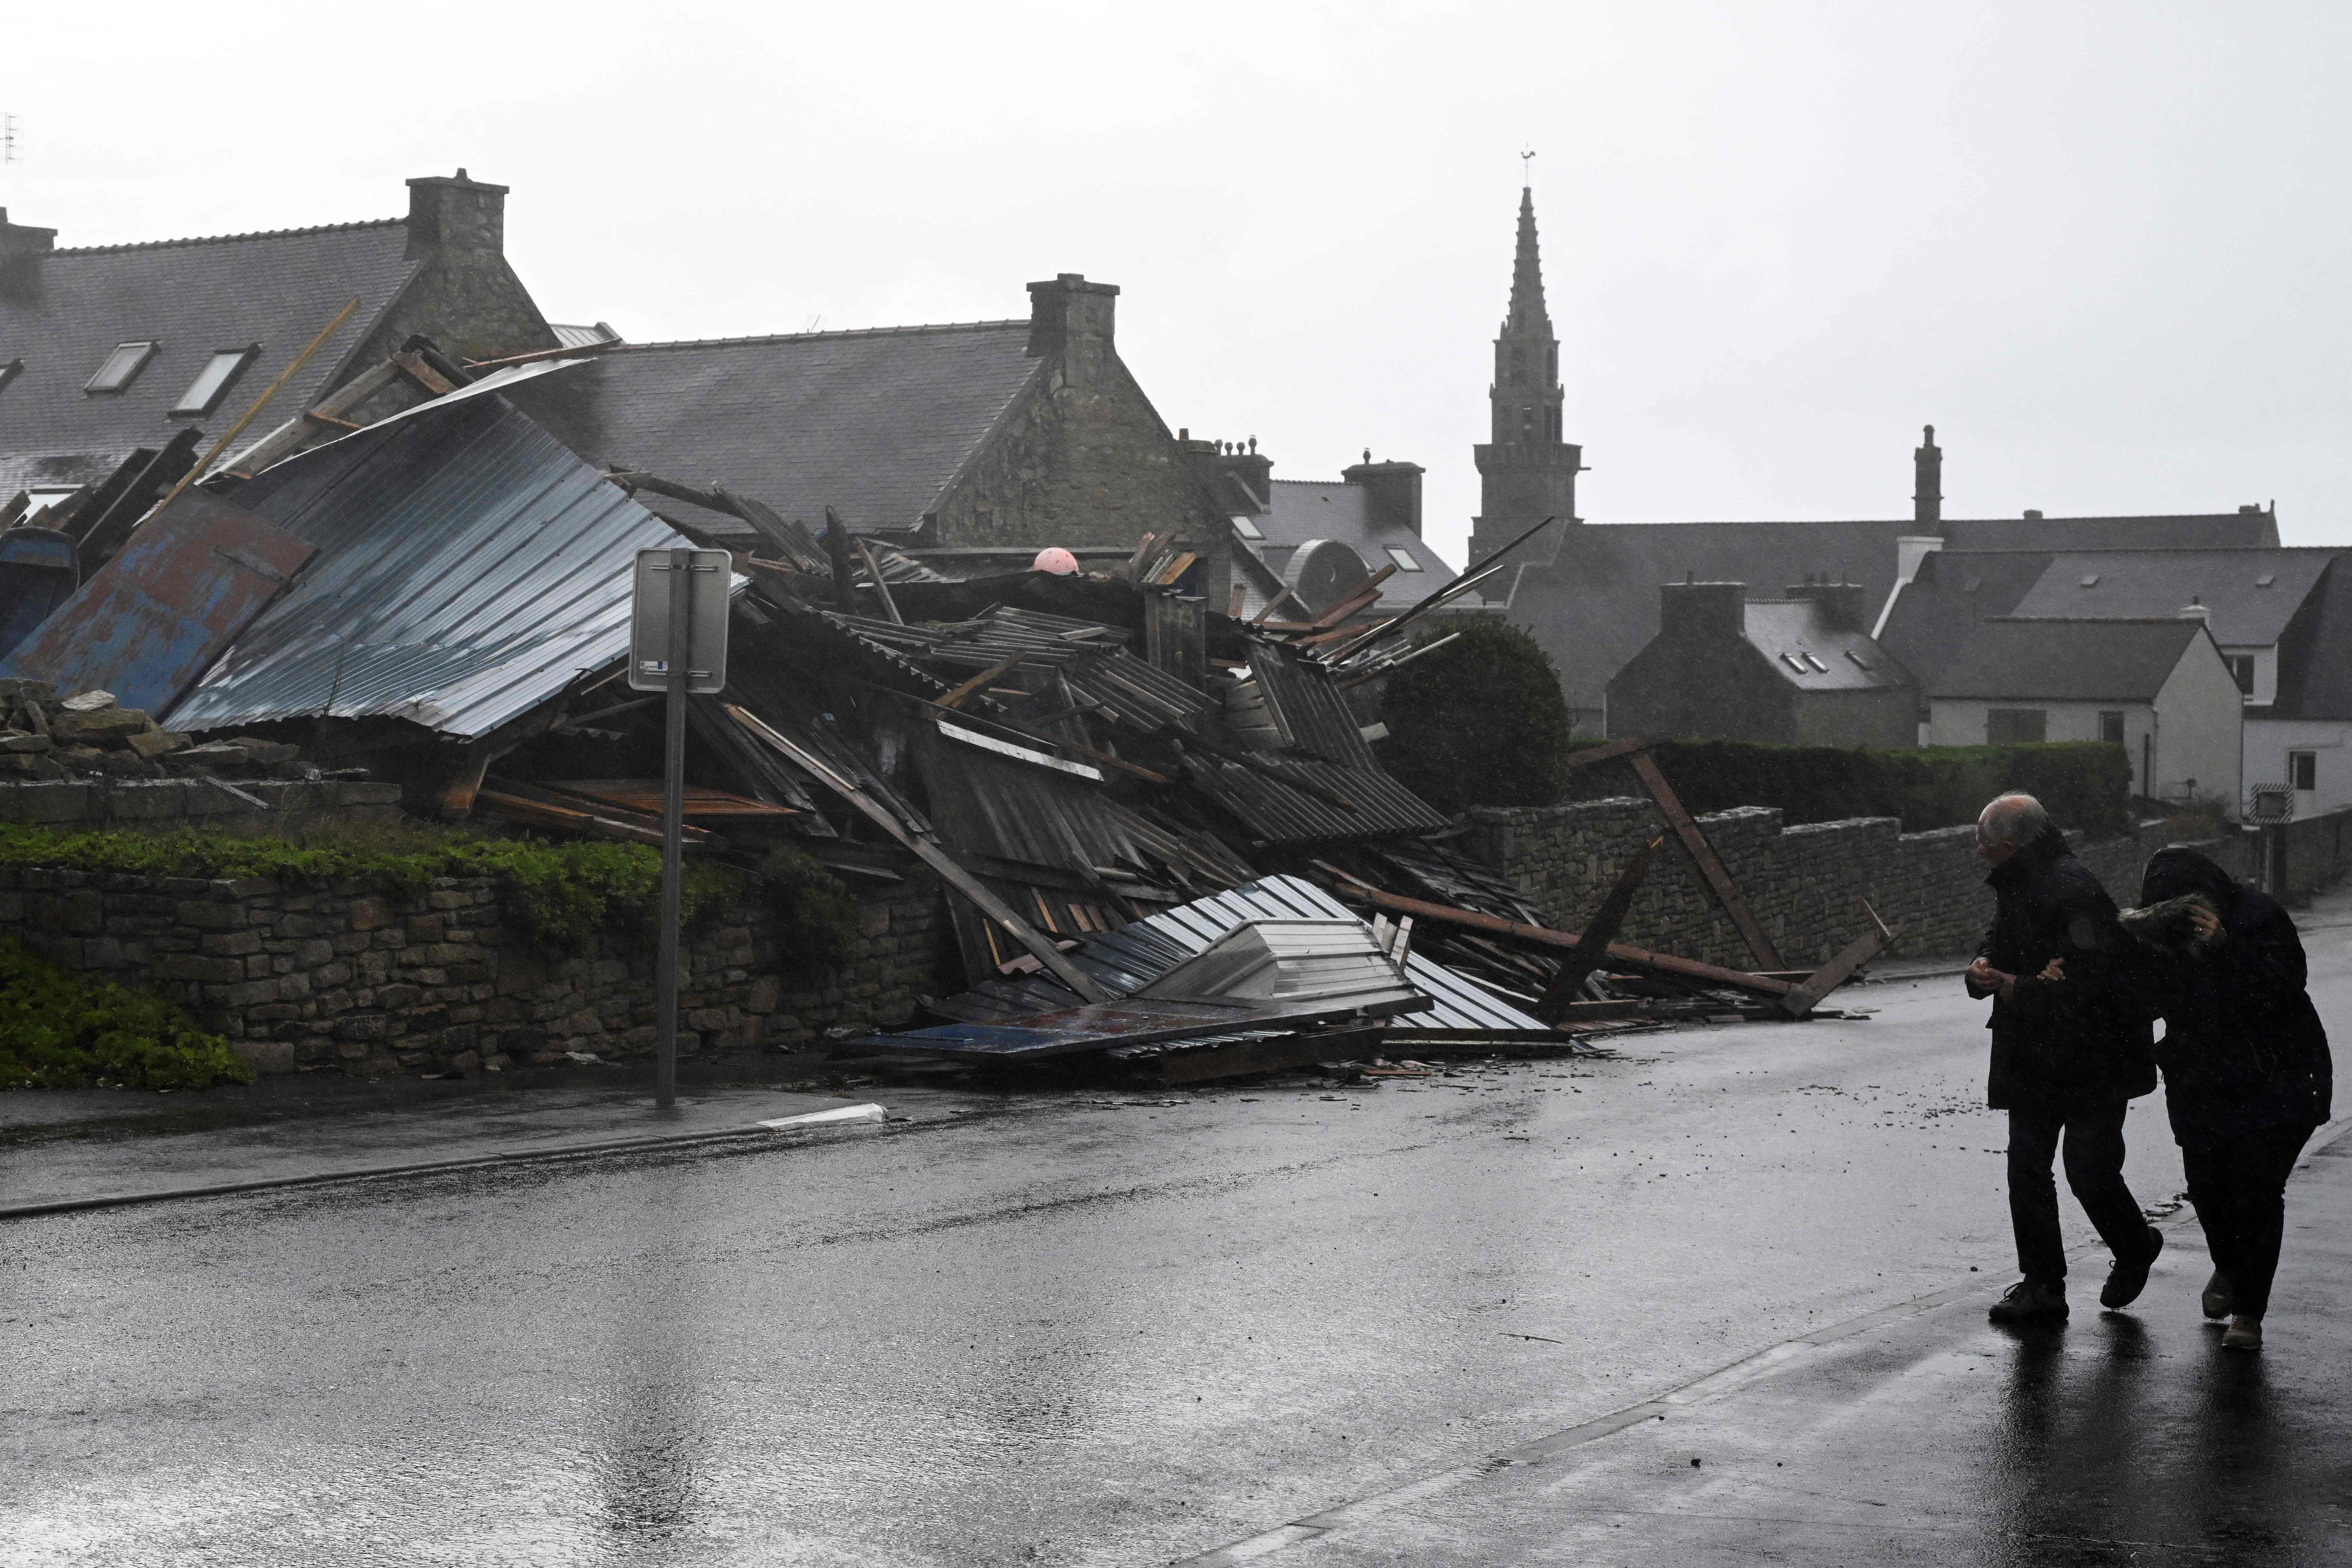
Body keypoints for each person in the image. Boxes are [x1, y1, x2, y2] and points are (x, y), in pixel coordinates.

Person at [2117, 847, 2333, 1352]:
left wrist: (2224, 947)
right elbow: (2147, 999)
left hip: (2275, 1075)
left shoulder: (2259, 917)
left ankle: (2248, 1313)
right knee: (2207, 1188)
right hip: (2201, 1078)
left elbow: (2283, 988)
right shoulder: (2161, 933)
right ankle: (2233, 1268)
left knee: (2256, 1192)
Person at [1964, 794, 2161, 1324]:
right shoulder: (2020, 882)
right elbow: (2005, 940)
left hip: (2097, 1057)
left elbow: (2092, 981)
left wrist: (2018, 986)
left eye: (1983, 846)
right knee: (2027, 1169)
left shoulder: (2072, 889)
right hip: (2035, 1054)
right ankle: (2043, 1285)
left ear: (2008, 846)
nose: (1979, 854)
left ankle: (2136, 1246)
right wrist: (1982, 968)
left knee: (2088, 1169)